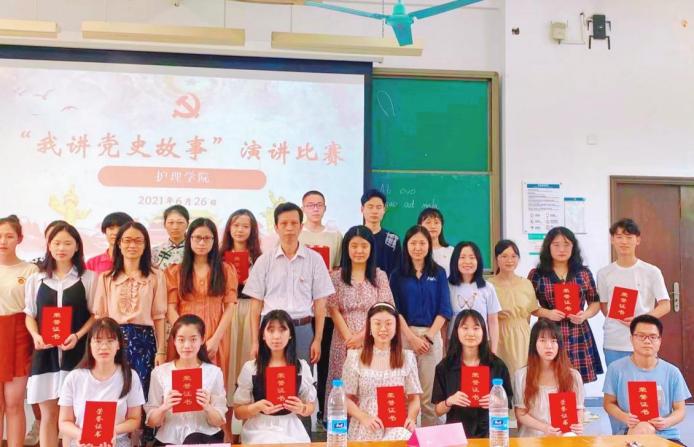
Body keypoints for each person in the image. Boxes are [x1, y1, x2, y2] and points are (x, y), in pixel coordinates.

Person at [24, 223, 96, 447]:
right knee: (48, 415)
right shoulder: (36, 279)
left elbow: (95, 315)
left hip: (77, 354)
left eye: (67, 243)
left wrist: (78, 335)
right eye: (56, 243)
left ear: (77, 247)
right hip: (45, 354)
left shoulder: (88, 278)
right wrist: (35, 336)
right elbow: (29, 314)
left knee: (71, 416)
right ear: (48, 246)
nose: (61, 248)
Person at [244, 202, 334, 364]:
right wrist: (255, 341)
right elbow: (255, 306)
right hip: (271, 331)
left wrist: (317, 340)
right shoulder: (264, 261)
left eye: (294, 223)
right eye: (284, 223)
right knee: (271, 376)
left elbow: (320, 305)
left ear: (301, 226)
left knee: (302, 376)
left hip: (303, 329)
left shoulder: (315, 260)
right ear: (276, 227)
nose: (289, 228)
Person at [325, 225, 394, 417]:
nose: (359, 251)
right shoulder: (336, 277)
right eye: (354, 246)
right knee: (343, 388)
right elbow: (333, 309)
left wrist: (363, 336)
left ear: (371, 248)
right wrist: (349, 338)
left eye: (364, 246)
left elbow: (385, 309)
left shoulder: (380, 276)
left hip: (374, 339)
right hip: (343, 342)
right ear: (346, 248)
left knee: (371, 387)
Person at [94, 221, 167, 397]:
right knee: (113, 390)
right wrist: (100, 347)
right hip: (114, 341)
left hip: (144, 341)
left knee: (142, 391)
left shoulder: (156, 276)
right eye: (127, 240)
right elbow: (101, 317)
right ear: (119, 244)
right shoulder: (106, 278)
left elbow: (159, 317)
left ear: (145, 245)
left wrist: (161, 350)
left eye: (138, 241)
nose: (132, 245)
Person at [389, 225, 452, 426]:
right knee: (403, 393)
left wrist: (428, 337)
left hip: (431, 337)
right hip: (404, 336)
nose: (418, 247)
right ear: (406, 245)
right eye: (413, 243)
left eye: (422, 243)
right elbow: (395, 311)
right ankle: (403, 437)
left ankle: (430, 438)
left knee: (429, 397)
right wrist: (411, 338)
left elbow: (444, 309)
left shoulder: (439, 273)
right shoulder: (397, 275)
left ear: (429, 245)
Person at [165, 218, 237, 382]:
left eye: (207, 238)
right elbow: (170, 308)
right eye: (197, 237)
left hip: (215, 333)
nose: (202, 243)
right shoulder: (175, 272)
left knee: (211, 384)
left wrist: (215, 339)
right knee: (183, 384)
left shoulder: (226, 270)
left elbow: (230, 307)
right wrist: (185, 336)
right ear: (189, 239)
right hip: (182, 336)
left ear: (214, 240)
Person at [528, 226, 603, 383]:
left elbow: (595, 302)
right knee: (549, 377)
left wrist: (585, 315)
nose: (561, 249)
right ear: (548, 247)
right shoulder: (537, 274)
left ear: (573, 247)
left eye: (566, 244)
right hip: (548, 333)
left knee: (576, 381)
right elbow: (529, 306)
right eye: (556, 245)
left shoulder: (583, 273)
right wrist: (547, 313)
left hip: (577, 332)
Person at [232, 310, 316, 444]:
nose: (276, 336)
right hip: (259, 428)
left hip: (291, 428)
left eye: (282, 330)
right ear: (263, 335)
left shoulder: (301, 367)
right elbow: (238, 412)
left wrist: (302, 408)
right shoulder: (251, 368)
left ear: (290, 334)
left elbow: (311, 405)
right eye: (271, 330)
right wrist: (256, 407)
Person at [603, 315, 690, 444]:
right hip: (628, 432)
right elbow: (608, 403)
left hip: (665, 435)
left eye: (653, 337)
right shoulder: (616, 369)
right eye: (641, 336)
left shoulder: (672, 372)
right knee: (641, 430)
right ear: (631, 339)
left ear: (660, 340)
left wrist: (666, 422)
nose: (647, 341)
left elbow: (680, 409)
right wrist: (625, 417)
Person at [58, 317, 144, 447]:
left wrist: (112, 431)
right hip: (82, 441)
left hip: (117, 441)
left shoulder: (130, 376)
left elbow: (135, 419)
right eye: (98, 341)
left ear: (118, 345)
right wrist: (81, 435)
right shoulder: (74, 378)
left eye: (110, 341)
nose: (104, 347)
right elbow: (64, 422)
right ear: (90, 345)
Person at [342, 302, 421, 441]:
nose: (383, 328)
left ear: (396, 327)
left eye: (389, 323)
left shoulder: (407, 357)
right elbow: (345, 399)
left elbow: (414, 399)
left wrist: (411, 418)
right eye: (377, 323)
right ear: (369, 326)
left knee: (402, 436)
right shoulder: (354, 357)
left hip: (397, 425)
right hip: (367, 427)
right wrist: (364, 418)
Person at [598, 218, 670, 366]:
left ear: (638, 240)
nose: (624, 241)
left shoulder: (651, 271)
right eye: (619, 237)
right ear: (612, 240)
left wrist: (641, 319)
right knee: (616, 380)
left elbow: (665, 305)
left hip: (644, 341)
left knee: (644, 380)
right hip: (614, 342)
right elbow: (604, 306)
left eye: (629, 237)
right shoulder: (604, 273)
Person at [146, 315, 227, 445]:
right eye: (181, 340)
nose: (187, 345)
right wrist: (164, 407)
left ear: (202, 339)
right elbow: (151, 422)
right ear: (174, 341)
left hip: (205, 438)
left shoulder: (214, 372)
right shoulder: (160, 373)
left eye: (193, 339)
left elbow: (219, 421)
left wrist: (207, 407)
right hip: (169, 439)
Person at [299, 190, 343, 424]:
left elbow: (339, 268)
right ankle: (300, 413)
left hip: (325, 309)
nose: (315, 209)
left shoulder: (335, 236)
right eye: (310, 205)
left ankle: (325, 412)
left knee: (325, 362)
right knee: (301, 363)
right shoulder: (297, 234)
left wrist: (330, 272)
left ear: (325, 208)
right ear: (303, 208)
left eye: (319, 205)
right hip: (302, 309)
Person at [432, 310, 512, 438]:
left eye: (476, 328)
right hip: (456, 434)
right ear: (456, 331)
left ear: (484, 331)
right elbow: (438, 411)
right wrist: (449, 401)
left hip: (490, 433)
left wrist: (496, 402)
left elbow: (508, 402)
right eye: (465, 328)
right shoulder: (444, 367)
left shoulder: (497, 365)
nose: (470, 333)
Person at [0, 216, 38, 447]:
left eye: (9, 236)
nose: (3, 241)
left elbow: (33, 310)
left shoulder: (30, 270)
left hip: (18, 336)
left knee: (14, 402)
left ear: (20, 239)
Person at [513, 319, 585, 437]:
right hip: (533, 437)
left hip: (563, 436)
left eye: (554, 341)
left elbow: (578, 408)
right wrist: (545, 428)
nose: (549, 346)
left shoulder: (573, 375)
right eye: (542, 340)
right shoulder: (522, 375)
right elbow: (520, 413)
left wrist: (578, 424)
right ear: (534, 344)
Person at [219, 209, 262, 401]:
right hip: (227, 309)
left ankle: (246, 406)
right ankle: (226, 407)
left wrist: (249, 282)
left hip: (251, 308)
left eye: (245, 226)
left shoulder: (260, 258)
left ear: (252, 230)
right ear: (229, 228)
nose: (240, 230)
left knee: (247, 357)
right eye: (236, 225)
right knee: (227, 359)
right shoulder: (219, 256)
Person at [487, 240, 540, 378]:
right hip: (498, 334)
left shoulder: (526, 283)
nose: (509, 260)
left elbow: (531, 312)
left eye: (513, 256)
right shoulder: (489, 285)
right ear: (496, 259)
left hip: (523, 335)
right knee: (500, 374)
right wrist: (495, 314)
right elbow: (482, 313)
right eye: (504, 256)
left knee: (522, 375)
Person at [447, 241, 500, 353]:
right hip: (454, 345)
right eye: (462, 257)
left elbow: (493, 322)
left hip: (481, 344)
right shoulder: (447, 287)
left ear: (478, 261)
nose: (467, 261)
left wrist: (493, 351)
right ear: (455, 260)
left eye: (472, 257)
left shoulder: (487, 288)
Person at [361, 189, 401, 275]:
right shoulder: (354, 236)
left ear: (384, 209)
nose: (374, 211)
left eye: (378, 207)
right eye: (370, 207)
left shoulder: (392, 239)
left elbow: (397, 272)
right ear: (362, 209)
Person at [152, 205, 189, 270]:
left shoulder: (194, 249)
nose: (175, 227)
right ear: (164, 224)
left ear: (187, 224)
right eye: (171, 222)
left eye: (180, 222)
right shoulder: (155, 251)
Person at [417, 208, 453, 276]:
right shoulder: (415, 251)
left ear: (442, 226)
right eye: (428, 222)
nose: (433, 226)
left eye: (436, 222)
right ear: (420, 226)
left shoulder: (451, 251)